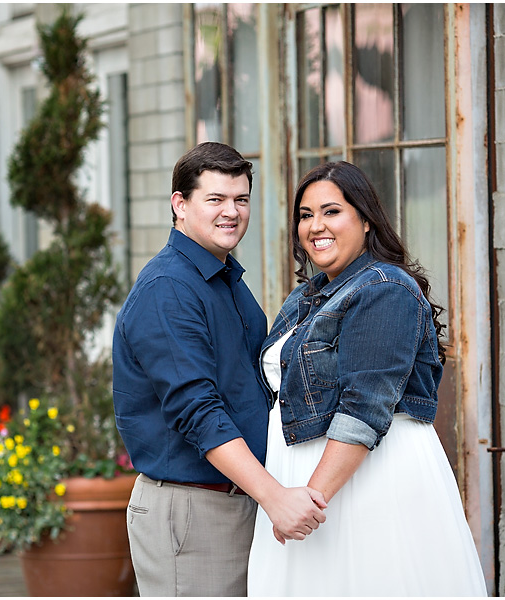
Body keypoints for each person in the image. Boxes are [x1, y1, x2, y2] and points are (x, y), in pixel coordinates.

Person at [247, 161, 487, 596]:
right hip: (307, 482)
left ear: (366, 218)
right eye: (305, 215)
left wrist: (307, 502)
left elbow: (363, 408)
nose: (315, 226)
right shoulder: (311, 292)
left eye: (331, 211)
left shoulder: (384, 289)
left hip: (362, 483)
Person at [113, 142, 327, 597]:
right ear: (180, 204)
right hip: (193, 510)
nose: (231, 212)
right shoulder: (168, 289)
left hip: (236, 500)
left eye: (241, 199)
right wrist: (274, 497)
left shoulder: (223, 278)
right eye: (215, 199)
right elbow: (198, 410)